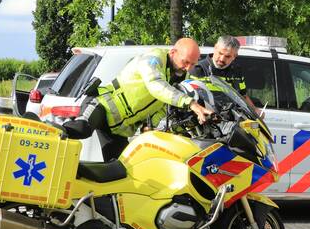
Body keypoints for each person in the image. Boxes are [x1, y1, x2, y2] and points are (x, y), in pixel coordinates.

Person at [64, 38, 214, 161]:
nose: (188, 68)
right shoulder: (154, 58)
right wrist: (190, 103)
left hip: (118, 128)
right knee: (81, 129)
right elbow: (156, 86)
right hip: (102, 106)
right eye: (185, 62)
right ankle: (42, 133)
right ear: (173, 52)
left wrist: (155, 128)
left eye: (193, 64)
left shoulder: (180, 76)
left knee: (119, 173)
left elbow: (161, 107)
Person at [190, 35, 256, 108]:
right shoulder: (197, 69)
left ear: (235, 56)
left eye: (227, 56)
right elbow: (188, 98)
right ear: (215, 48)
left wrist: (256, 112)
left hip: (232, 118)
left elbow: (243, 96)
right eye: (220, 53)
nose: (222, 59)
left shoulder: (237, 72)